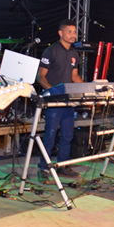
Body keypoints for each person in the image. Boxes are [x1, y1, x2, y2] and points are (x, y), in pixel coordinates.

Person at [37, 19, 83, 179]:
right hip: (54, 101)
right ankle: (43, 168)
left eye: (75, 32)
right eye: (69, 32)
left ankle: (62, 166)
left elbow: (75, 77)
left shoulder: (74, 53)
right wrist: (53, 92)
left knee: (68, 135)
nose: (73, 35)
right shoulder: (51, 51)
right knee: (50, 136)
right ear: (60, 33)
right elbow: (40, 77)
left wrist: (89, 89)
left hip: (68, 101)